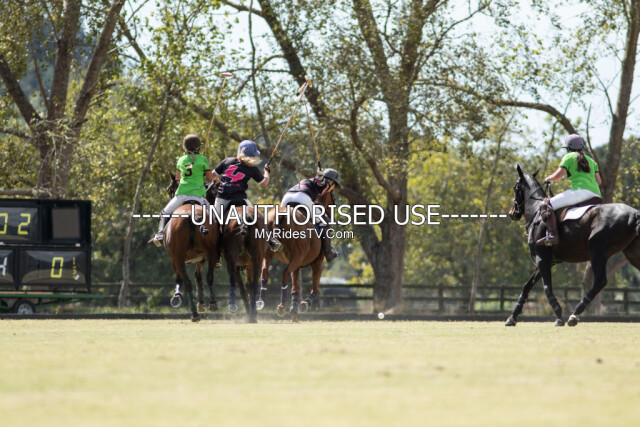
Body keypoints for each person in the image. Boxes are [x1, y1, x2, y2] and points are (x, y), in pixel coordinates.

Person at [148, 134, 215, 247]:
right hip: (199, 196)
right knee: (215, 217)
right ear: (198, 147)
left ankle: (159, 235)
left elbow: (178, 178)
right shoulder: (203, 159)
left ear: (185, 147)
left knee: (164, 213)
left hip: (181, 195)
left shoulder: (181, 160)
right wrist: (209, 175)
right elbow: (210, 178)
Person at [536, 133, 603, 245]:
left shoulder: (569, 156)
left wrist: (548, 178)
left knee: (546, 205)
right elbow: (599, 181)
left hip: (580, 192)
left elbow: (558, 176)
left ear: (568, 148)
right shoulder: (591, 161)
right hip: (596, 195)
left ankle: (553, 235)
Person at [278, 168, 340, 262]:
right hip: (302, 198)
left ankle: (274, 239)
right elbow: (321, 181)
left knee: (279, 220)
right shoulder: (325, 184)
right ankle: (328, 253)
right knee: (326, 222)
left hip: (286, 198)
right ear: (331, 182)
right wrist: (320, 175)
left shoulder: (308, 181)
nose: (333, 188)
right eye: (334, 185)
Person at [211, 140, 270, 230]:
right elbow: (264, 182)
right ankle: (267, 235)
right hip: (240, 198)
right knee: (258, 218)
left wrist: (220, 182)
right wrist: (267, 171)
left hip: (222, 197)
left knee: (214, 223)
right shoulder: (252, 168)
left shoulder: (227, 161)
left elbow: (212, 175)